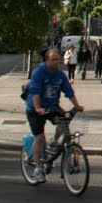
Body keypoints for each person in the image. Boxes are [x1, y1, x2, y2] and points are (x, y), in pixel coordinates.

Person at [25, 49, 84, 183]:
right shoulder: (39, 72)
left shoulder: (60, 75)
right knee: (39, 137)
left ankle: (54, 141)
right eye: (53, 60)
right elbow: (34, 92)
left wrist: (77, 105)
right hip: (35, 109)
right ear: (47, 60)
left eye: (58, 59)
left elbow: (69, 91)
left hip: (52, 106)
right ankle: (38, 169)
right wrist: (38, 108)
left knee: (65, 120)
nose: (57, 62)